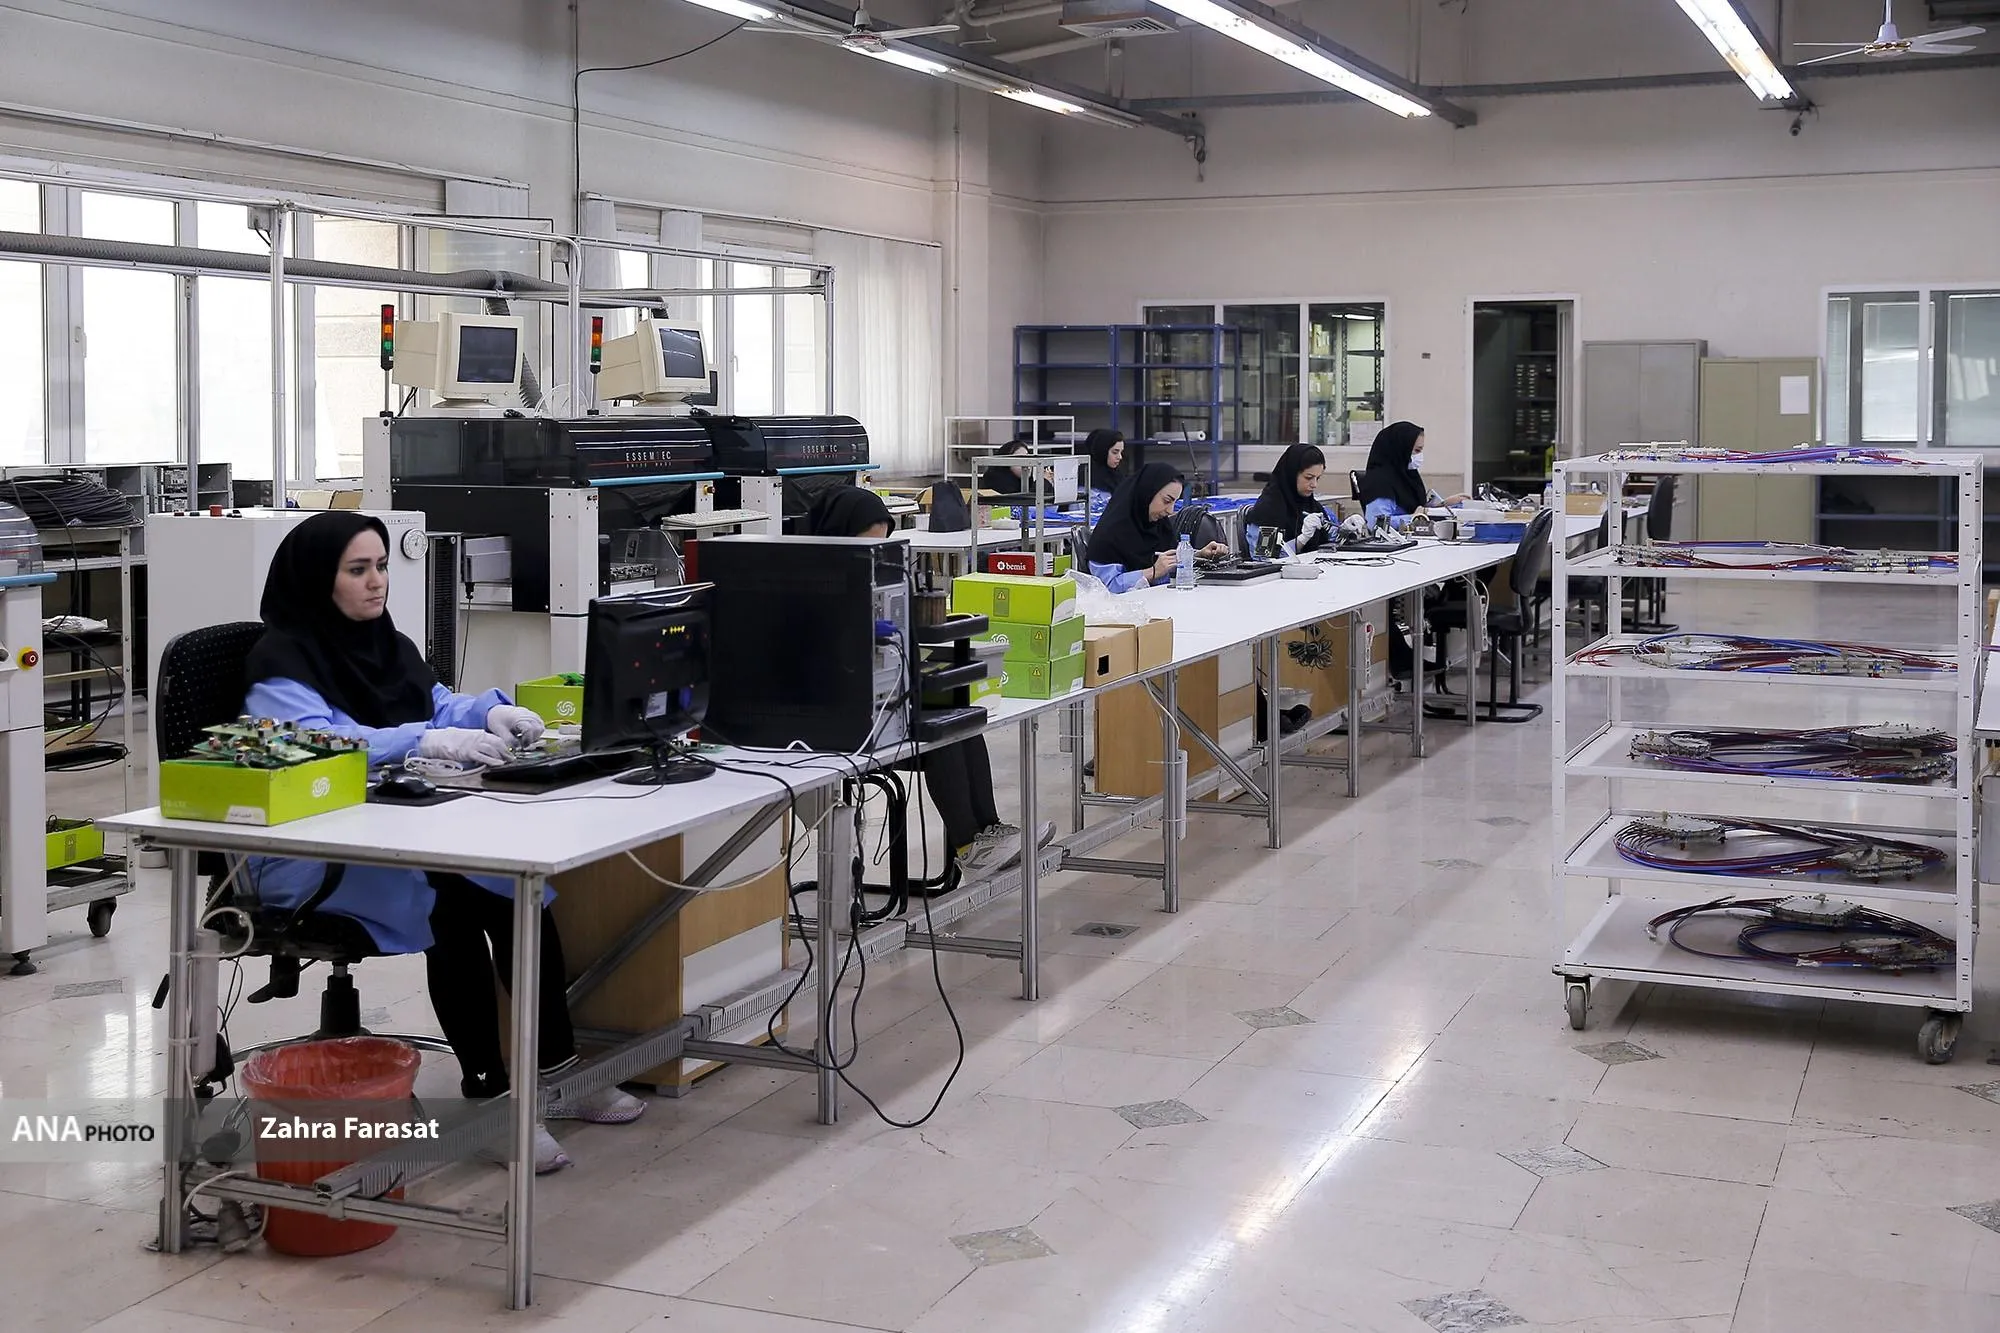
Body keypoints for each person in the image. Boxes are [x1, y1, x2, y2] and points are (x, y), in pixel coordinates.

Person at [240, 511, 644, 1175]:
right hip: (312, 853)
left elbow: (432, 702)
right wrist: (425, 740)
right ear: (317, 579)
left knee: (513, 886)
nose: (377, 582)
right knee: (450, 896)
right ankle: (489, 1100)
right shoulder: (278, 666)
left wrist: (487, 711)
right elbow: (320, 745)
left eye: (380, 567)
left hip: (391, 826)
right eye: (357, 570)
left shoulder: (385, 643)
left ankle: (559, 1073)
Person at [803, 487, 1053, 877]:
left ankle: (989, 830)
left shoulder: (876, 581)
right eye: (867, 546)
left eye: (881, 545)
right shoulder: (807, 588)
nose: (875, 556)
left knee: (961, 719)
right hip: (834, 724)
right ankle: (969, 846)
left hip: (880, 708)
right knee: (937, 736)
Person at [1085, 463, 1227, 594]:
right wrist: (1152, 572)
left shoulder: (1158, 526)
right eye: (1166, 501)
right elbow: (1105, 587)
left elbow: (1168, 560)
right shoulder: (1109, 535)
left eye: (1174, 503)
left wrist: (1198, 555)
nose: (1170, 510)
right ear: (1147, 493)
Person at [1356, 421, 1468, 524]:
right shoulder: (1379, 482)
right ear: (1401, 450)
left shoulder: (1406, 477)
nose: (1419, 456)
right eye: (1417, 450)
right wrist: (1416, 517)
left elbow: (1416, 508)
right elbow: (1376, 523)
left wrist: (1443, 505)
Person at [1244, 443, 1335, 558]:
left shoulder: (1313, 506)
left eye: (1318, 478)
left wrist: (1346, 532)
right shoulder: (1267, 511)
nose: (1314, 484)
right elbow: (1264, 559)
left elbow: (1331, 540)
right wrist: (1301, 540)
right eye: (1308, 478)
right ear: (1292, 474)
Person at [1083, 428, 1126, 506]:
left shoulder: (1117, 475)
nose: (1120, 457)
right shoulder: (1086, 478)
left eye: (1121, 452)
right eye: (1115, 452)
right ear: (1102, 451)